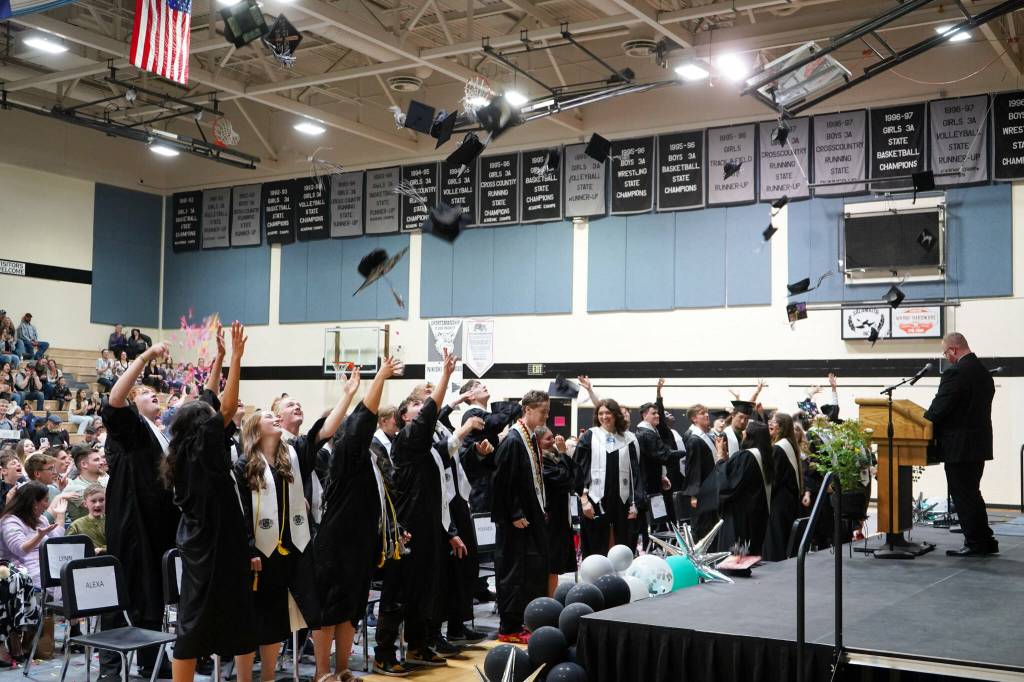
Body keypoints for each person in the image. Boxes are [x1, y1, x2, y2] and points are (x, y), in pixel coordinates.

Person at [236, 364, 350, 682]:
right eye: (271, 417)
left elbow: (323, 430)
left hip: (295, 546)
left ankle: (270, 677)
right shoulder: (245, 464)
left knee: (283, 619)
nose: (277, 420)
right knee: (257, 619)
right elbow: (242, 510)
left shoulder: (295, 453)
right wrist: (248, 549)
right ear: (255, 429)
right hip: (261, 552)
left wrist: (348, 394)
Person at [161, 321, 255, 682]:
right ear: (205, 428)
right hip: (213, 545)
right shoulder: (204, 452)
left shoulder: (189, 449)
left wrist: (217, 361)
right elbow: (226, 407)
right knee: (197, 625)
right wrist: (236, 358)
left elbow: (212, 401)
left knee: (235, 618)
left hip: (210, 541)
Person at [312, 359, 398, 682]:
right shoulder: (346, 451)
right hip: (335, 545)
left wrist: (391, 533)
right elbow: (364, 416)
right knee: (329, 609)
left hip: (360, 544)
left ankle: (343, 669)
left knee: (352, 609)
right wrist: (380, 377)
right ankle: (322, 673)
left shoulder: (367, 458)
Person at [101, 341, 180, 680]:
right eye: (146, 394)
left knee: (153, 596)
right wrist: (145, 358)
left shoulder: (161, 434)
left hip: (159, 523)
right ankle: (110, 667)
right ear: (134, 402)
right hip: (132, 524)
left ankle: (151, 660)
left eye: (156, 395)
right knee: (122, 594)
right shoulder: (128, 428)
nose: (154, 397)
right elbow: (114, 400)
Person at [374, 350, 457, 671]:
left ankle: (418, 646)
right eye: (417, 407)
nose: (424, 409)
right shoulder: (408, 440)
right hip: (405, 529)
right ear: (405, 418)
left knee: (424, 591)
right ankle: (384, 653)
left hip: (428, 527)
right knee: (398, 593)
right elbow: (432, 412)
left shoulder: (429, 446)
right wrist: (446, 377)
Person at [924, 332, 998, 557]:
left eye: (946, 353)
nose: (946, 357)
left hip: (959, 445)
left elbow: (940, 408)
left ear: (954, 350)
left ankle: (976, 543)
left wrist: (924, 420)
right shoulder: (984, 372)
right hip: (978, 443)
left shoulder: (955, 372)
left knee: (963, 494)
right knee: (972, 492)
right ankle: (984, 540)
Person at [491, 389, 551, 643]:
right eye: (543, 412)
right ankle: (509, 628)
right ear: (527, 409)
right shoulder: (513, 440)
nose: (546, 416)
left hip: (531, 514)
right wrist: (514, 512)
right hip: (515, 519)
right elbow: (503, 481)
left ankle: (522, 622)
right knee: (513, 572)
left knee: (531, 570)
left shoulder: (529, 438)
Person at [574, 399, 643, 559]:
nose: (604, 417)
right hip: (595, 500)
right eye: (600, 413)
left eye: (608, 413)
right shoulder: (589, 436)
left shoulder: (628, 439)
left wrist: (635, 503)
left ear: (615, 414)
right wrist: (584, 501)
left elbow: (636, 474)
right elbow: (578, 470)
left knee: (622, 544)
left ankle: (620, 580)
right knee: (595, 545)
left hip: (622, 501)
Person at [703, 420, 773, 555]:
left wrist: (720, 456)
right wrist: (728, 460)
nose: (743, 432)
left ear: (751, 435)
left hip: (740, 515)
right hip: (756, 512)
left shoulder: (746, 456)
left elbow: (728, 485)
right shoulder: (764, 454)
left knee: (737, 557)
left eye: (746, 431)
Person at [457, 380, 521, 516]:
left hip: (486, 482)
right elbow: (497, 422)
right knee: (484, 523)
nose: (484, 386)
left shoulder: (481, 413)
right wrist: (519, 405)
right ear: (470, 396)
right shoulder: (472, 414)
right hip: (480, 484)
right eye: (477, 386)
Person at [0, 481, 68, 587]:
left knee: (71, 575)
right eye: (45, 500)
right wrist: (39, 536)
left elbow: (56, 540)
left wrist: (60, 514)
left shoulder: (40, 519)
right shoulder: (9, 522)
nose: (48, 504)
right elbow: (20, 550)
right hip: (22, 573)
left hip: (45, 565)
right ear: (34, 503)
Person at [539, 425, 576, 595]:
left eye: (552, 436)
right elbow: (564, 479)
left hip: (561, 515)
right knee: (550, 564)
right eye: (548, 438)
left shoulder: (553, 457)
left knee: (554, 565)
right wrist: (563, 454)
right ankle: (548, 600)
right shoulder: (541, 461)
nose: (553, 440)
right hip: (550, 516)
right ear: (538, 442)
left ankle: (551, 599)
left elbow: (575, 477)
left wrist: (563, 455)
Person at [635, 401, 684, 525]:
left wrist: (662, 475)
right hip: (651, 485)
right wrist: (685, 453)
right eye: (654, 413)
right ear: (644, 415)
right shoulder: (647, 434)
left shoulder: (650, 431)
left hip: (655, 481)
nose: (657, 415)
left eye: (657, 413)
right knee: (658, 519)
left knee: (660, 516)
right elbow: (663, 455)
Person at [763, 412, 803, 561]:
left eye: (773, 422)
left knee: (777, 537)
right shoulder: (789, 444)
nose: (770, 424)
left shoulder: (779, 448)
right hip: (788, 500)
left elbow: (774, 479)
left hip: (779, 501)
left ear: (780, 427)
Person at [682, 404, 718, 532]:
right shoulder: (694, 438)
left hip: (710, 488)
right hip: (701, 491)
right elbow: (693, 468)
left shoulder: (707, 435)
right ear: (694, 418)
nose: (707, 415)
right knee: (703, 528)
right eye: (702, 413)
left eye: (707, 412)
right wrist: (694, 495)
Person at [68, 484, 107, 553]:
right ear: (85, 504)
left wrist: (102, 549)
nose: (98, 505)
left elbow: (119, 544)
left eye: (101, 500)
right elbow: (68, 547)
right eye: (93, 501)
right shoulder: (76, 525)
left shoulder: (113, 521)